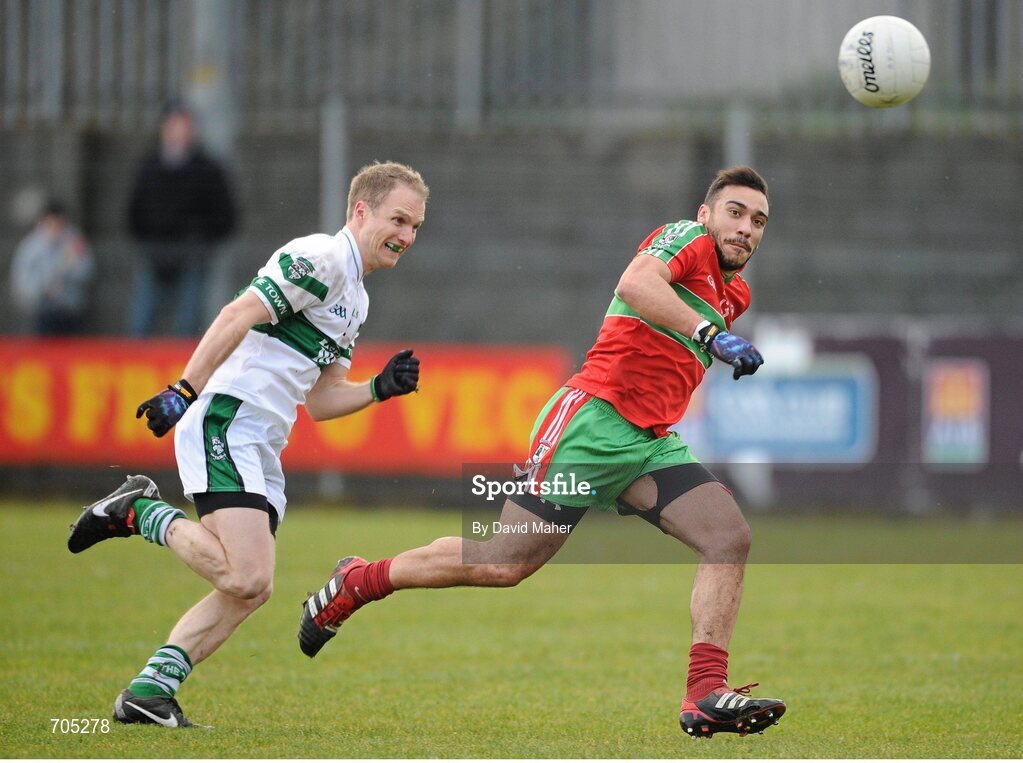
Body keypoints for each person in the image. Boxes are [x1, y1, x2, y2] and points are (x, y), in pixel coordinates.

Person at [297, 166, 786, 739]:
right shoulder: (687, 238)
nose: (746, 228)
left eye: (758, 221)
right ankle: (360, 580)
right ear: (706, 214)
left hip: (650, 442)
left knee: (728, 537)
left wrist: (706, 336)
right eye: (735, 212)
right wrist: (708, 335)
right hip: (590, 425)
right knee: (503, 563)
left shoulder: (737, 293)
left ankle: (704, 693)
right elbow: (636, 282)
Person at [67, 161, 429, 728]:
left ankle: (149, 691)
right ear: (361, 211)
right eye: (399, 220)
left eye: (416, 227)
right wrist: (184, 389)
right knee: (248, 577)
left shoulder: (355, 298)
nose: (407, 236)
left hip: (260, 443)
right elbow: (238, 312)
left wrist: (378, 389)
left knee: (248, 588)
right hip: (227, 420)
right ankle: (137, 510)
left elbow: (323, 399)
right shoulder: (322, 258)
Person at [127, 100, 237, 336]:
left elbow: (225, 213)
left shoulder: (207, 168)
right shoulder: (150, 166)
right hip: (155, 252)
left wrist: (201, 240)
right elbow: (135, 210)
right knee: (142, 320)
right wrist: (147, 240)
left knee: (188, 322)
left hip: (192, 256)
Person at [10, 199, 94, 335]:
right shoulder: (31, 247)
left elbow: (85, 270)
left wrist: (66, 271)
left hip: (69, 309)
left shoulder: (74, 242)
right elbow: (23, 279)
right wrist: (42, 288)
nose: (55, 227)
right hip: (42, 309)